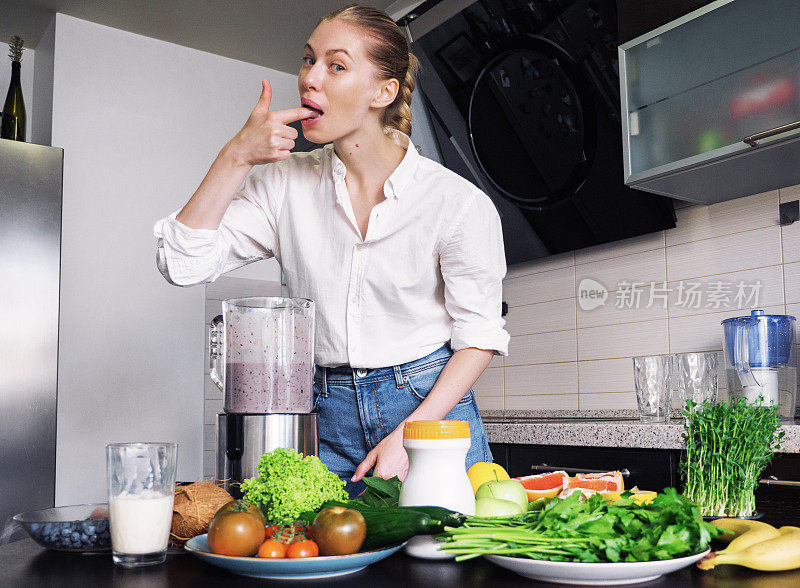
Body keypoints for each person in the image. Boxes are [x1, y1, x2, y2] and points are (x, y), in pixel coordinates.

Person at [153, 4, 509, 496]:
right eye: (307, 60)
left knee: (448, 567)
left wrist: (410, 434)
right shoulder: (284, 185)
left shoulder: (457, 204)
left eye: (336, 65)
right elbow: (182, 263)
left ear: (383, 91)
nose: (310, 78)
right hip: (324, 415)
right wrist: (237, 155)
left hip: (432, 414)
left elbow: (479, 336)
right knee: (326, 560)